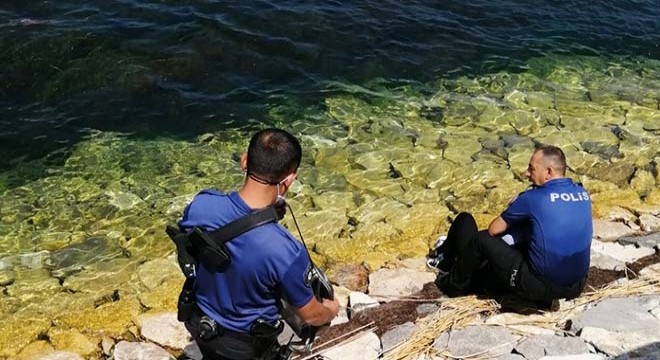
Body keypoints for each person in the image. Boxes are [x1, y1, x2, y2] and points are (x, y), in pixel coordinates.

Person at [177, 128, 339, 360]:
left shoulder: (201, 205)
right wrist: (332, 309)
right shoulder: (286, 251)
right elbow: (312, 316)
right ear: (290, 179)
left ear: (245, 161)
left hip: (198, 321)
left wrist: (263, 216)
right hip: (243, 347)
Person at [429, 145, 592, 305]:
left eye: (532, 169)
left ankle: (452, 286)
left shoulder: (533, 198)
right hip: (576, 285)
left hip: (539, 286)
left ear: (548, 172)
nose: (526, 174)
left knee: (479, 236)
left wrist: (516, 205)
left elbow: (493, 230)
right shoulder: (582, 193)